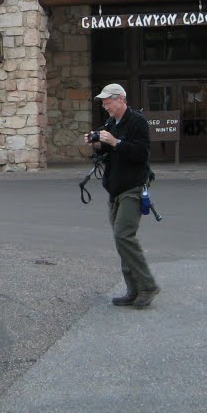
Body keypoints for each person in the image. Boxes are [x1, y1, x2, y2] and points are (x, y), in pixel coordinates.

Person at [84, 83, 160, 308]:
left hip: (133, 188)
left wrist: (115, 142)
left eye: (108, 102)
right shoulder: (111, 123)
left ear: (121, 99)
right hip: (115, 189)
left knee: (123, 236)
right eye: (104, 102)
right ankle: (133, 290)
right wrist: (97, 144)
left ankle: (147, 286)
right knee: (121, 240)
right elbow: (107, 152)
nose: (105, 106)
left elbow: (141, 153)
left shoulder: (137, 122)